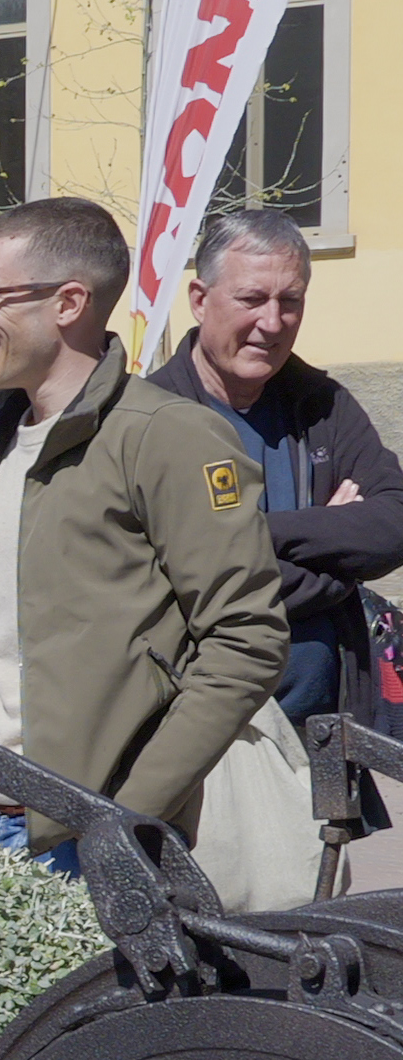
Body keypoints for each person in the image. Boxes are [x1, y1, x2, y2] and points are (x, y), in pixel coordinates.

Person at [0, 197, 292, 867]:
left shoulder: (167, 436)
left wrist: (126, 816)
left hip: (87, 838)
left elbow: (247, 639)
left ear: (68, 303)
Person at [143, 209, 403, 726]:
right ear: (199, 300)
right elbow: (172, 583)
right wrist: (336, 569)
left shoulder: (321, 403)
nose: (272, 321)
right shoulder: (147, 420)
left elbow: (393, 524)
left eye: (290, 301)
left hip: (328, 723)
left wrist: (251, 534)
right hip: (199, 728)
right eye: (252, 299)